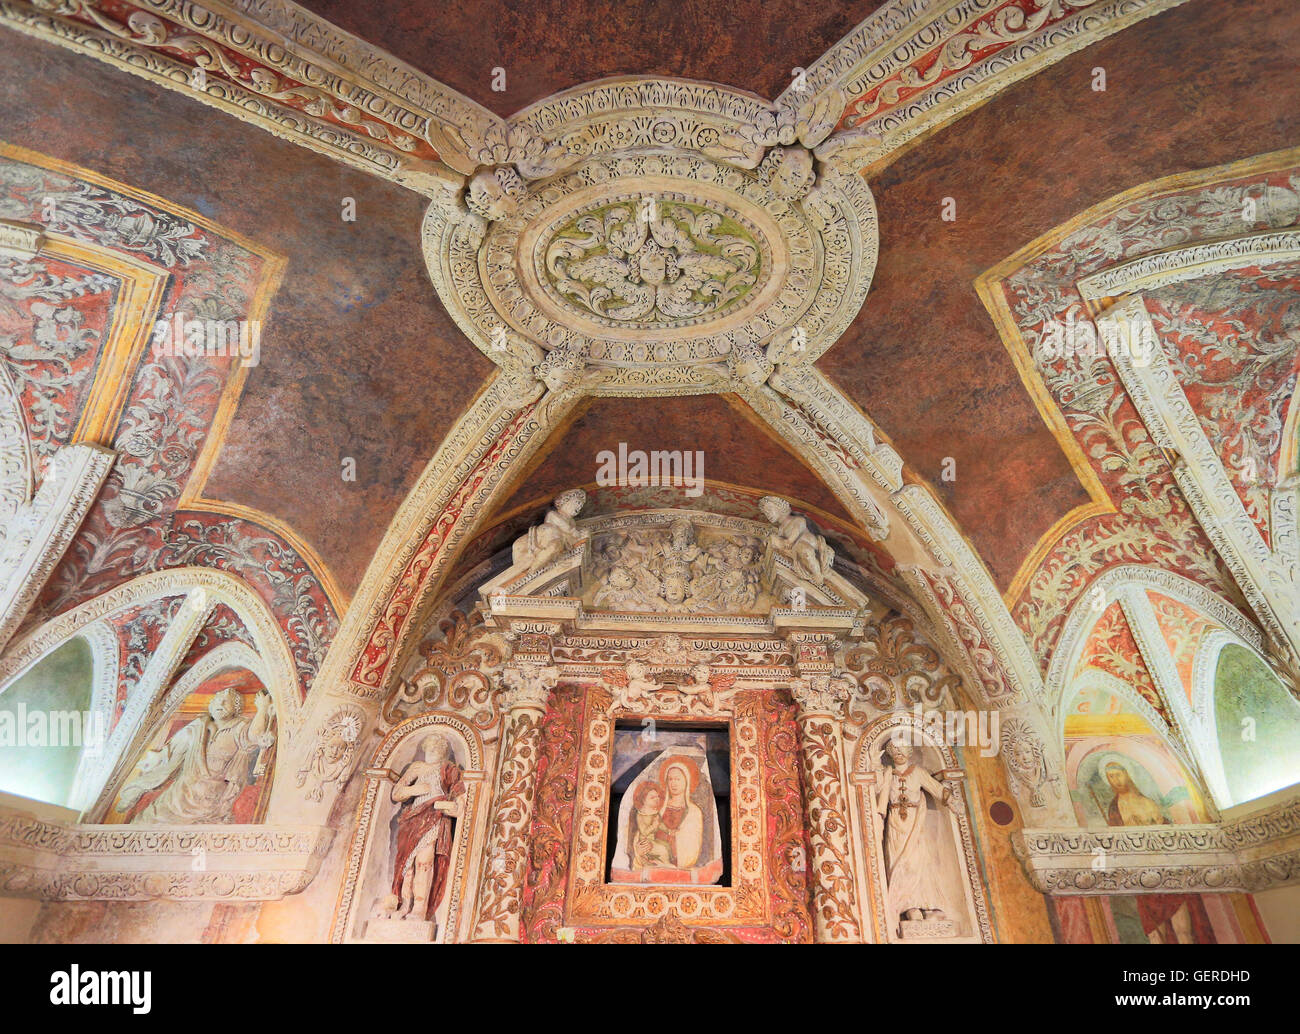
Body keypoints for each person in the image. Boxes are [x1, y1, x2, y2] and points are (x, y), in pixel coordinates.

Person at [119, 686, 275, 824]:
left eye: (225, 702)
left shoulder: (239, 728)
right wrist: (158, 758)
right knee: (144, 822)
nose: (220, 704)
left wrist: (262, 708)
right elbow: (174, 747)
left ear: (236, 708)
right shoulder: (199, 725)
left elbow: (255, 735)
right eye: (217, 700)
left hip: (208, 798)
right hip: (180, 792)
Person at [875, 737, 956, 925]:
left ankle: (925, 904)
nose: (899, 752)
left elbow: (936, 788)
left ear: (909, 751)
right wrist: (879, 818)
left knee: (919, 862)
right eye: (894, 749)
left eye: (902, 748)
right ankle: (908, 907)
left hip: (915, 822)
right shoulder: (889, 774)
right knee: (899, 862)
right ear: (890, 753)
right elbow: (882, 797)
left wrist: (951, 802)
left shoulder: (917, 772)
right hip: (896, 823)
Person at [386, 733, 465, 923]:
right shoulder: (417, 767)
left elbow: (459, 800)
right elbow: (397, 793)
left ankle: (420, 909)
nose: (433, 751)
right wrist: (415, 790)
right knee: (407, 867)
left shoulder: (448, 769)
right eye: (430, 747)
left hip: (435, 817)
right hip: (412, 819)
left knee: (424, 862)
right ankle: (405, 905)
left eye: (438, 749)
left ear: (444, 752)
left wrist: (449, 806)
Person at [628, 783, 674, 870]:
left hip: (652, 840)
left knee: (666, 846)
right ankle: (664, 867)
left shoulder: (655, 812)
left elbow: (661, 825)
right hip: (644, 842)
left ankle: (665, 866)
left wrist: (668, 831)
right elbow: (644, 832)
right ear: (644, 800)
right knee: (662, 850)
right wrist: (653, 826)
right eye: (652, 797)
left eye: (657, 797)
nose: (657, 799)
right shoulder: (641, 814)